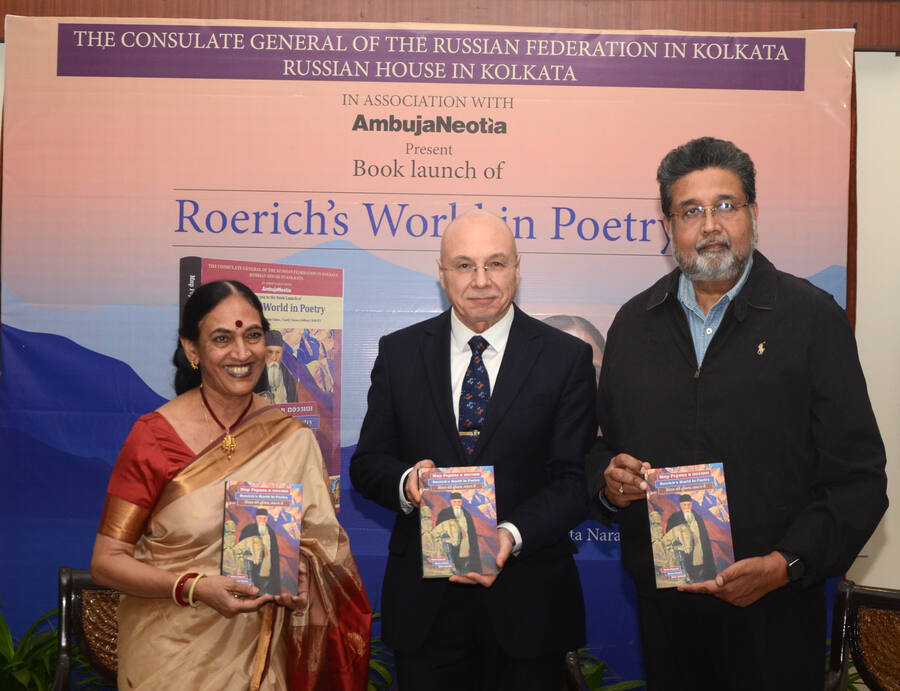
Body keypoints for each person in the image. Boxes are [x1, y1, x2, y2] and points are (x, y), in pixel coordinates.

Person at [585, 137, 888, 690]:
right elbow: (601, 450)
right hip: (667, 616)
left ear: (753, 213)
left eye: (726, 205)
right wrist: (610, 483)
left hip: (776, 614)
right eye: (691, 211)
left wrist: (786, 564)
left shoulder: (811, 320)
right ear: (668, 226)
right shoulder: (633, 325)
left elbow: (860, 481)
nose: (710, 226)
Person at [350, 209, 596, 690]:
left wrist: (508, 534)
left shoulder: (566, 358)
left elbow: (573, 482)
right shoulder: (399, 353)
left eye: (496, 263)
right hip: (426, 610)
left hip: (530, 608)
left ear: (517, 268)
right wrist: (407, 482)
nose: (481, 280)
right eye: (464, 265)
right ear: (441, 274)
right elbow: (367, 464)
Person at [90, 280, 370, 690]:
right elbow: (106, 560)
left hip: (257, 659)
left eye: (252, 335)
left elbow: (322, 550)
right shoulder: (153, 437)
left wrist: (303, 575)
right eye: (222, 338)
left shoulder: (292, 438)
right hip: (169, 657)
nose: (242, 353)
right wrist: (194, 587)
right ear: (192, 350)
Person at [664, 495, 715, 583]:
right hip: (685, 552)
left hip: (700, 551)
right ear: (680, 505)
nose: (687, 507)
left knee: (702, 576)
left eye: (689, 505)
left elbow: (705, 536)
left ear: (691, 505)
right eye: (684, 505)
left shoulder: (698, 518)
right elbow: (669, 536)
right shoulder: (674, 518)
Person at [434, 493, 483, 575]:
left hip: (466, 543)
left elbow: (472, 530)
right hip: (451, 543)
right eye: (454, 502)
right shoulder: (444, 513)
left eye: (459, 502)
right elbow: (439, 528)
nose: (457, 504)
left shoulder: (467, 514)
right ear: (451, 502)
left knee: (466, 561)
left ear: (461, 502)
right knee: (453, 562)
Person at [239, 508, 282, 594]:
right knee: (254, 582)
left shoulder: (271, 532)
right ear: (256, 518)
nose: (262, 520)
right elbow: (242, 545)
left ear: (267, 519)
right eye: (260, 518)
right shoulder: (249, 529)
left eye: (264, 518)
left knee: (266, 582)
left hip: (268, 562)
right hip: (253, 562)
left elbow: (274, 551)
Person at [262, 330, 299, 404]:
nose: (274, 358)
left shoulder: (289, 376)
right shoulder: (255, 376)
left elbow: (295, 404)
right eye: (270, 352)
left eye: (278, 352)